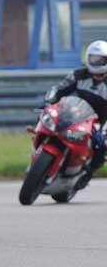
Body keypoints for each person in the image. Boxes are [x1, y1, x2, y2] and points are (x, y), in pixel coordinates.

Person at [43, 40, 107, 183]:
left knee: (102, 146)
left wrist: (103, 131)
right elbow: (59, 88)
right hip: (75, 114)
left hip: (99, 122)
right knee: (48, 120)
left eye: (100, 59)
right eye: (93, 59)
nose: (96, 62)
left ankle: (88, 174)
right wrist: (48, 101)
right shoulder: (78, 75)